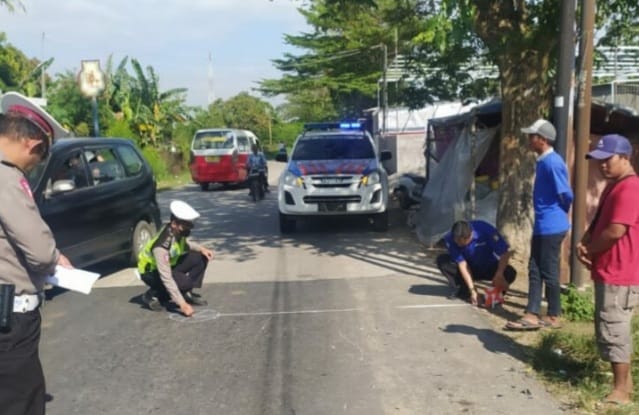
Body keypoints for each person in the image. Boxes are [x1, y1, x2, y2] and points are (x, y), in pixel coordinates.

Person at [0, 91, 73, 415]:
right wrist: (56, 257)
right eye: (41, 156)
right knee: (23, 401)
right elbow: (40, 251)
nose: (35, 166)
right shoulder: (6, 178)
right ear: (32, 144)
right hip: (11, 319)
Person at [576, 134, 639, 405]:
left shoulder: (629, 188)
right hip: (610, 268)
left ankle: (621, 391)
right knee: (609, 326)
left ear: (625, 158)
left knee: (615, 328)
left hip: (620, 270)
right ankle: (626, 385)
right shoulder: (615, 186)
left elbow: (616, 230)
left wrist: (591, 249)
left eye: (607, 159)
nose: (601, 165)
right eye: (598, 161)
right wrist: (586, 240)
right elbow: (602, 221)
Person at [507, 119, 573, 330]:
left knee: (548, 271)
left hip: (551, 227)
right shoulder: (543, 161)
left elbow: (566, 194)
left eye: (532, 136)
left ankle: (554, 315)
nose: (528, 139)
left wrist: (557, 215)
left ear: (542, 140)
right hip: (543, 225)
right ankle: (532, 313)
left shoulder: (553, 162)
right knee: (534, 269)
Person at [138, 200, 214, 317]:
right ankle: (152, 295)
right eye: (186, 225)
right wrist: (182, 304)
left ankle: (186, 292)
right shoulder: (161, 246)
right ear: (174, 224)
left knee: (200, 258)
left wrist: (201, 249)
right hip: (151, 272)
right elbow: (166, 277)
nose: (189, 228)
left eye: (190, 225)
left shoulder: (176, 233)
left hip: (169, 266)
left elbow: (185, 245)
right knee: (184, 283)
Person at [437, 220, 517, 306]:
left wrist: (499, 274)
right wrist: (473, 290)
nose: (458, 244)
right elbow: (462, 264)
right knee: (443, 261)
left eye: (461, 243)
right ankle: (466, 292)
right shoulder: (450, 238)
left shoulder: (485, 229)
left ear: (469, 236)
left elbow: (505, 252)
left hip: (488, 265)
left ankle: (491, 298)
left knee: (510, 272)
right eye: (456, 241)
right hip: (470, 268)